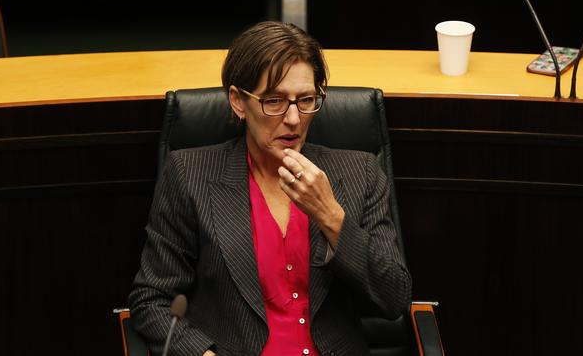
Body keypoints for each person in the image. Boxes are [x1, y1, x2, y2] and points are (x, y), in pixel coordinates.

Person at [128, 21, 412, 356]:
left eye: (305, 100)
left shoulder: (360, 173)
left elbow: (394, 299)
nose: (293, 118)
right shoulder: (191, 174)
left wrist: (332, 216)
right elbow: (152, 300)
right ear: (238, 102)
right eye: (274, 101)